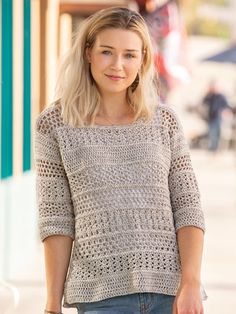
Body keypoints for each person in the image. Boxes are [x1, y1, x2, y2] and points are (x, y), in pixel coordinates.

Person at [34, 7, 207, 314]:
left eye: (129, 55)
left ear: (143, 60)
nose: (117, 65)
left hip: (172, 293)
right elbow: (57, 218)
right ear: (88, 53)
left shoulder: (164, 122)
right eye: (107, 52)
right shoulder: (55, 124)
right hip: (102, 297)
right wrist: (52, 303)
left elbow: (188, 205)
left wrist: (191, 283)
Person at [202, 81, 231, 151]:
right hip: (211, 117)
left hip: (218, 117)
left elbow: (227, 105)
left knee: (217, 133)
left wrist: (224, 112)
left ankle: (216, 148)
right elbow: (203, 102)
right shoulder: (210, 95)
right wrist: (207, 93)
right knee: (212, 133)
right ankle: (212, 148)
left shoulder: (221, 96)